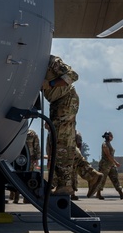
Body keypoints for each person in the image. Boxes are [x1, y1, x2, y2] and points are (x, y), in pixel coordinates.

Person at [41, 54, 81, 196]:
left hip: (66, 100)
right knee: (57, 142)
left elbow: (73, 76)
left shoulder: (52, 62)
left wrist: (50, 84)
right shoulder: (33, 63)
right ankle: (63, 183)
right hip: (57, 103)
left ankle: (65, 185)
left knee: (62, 143)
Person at [71, 131, 105, 200]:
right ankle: (92, 176)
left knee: (71, 173)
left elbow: (79, 144)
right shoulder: (73, 132)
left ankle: (92, 176)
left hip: (70, 154)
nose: (45, 124)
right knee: (73, 173)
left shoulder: (71, 133)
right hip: (73, 154)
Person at [98, 131, 123, 199]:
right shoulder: (105, 144)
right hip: (105, 165)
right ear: (108, 136)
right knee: (102, 179)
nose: (112, 137)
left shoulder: (109, 144)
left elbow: (111, 156)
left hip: (111, 164)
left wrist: (114, 163)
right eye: (111, 135)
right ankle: (98, 193)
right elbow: (108, 155)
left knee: (115, 178)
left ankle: (121, 193)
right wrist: (116, 162)